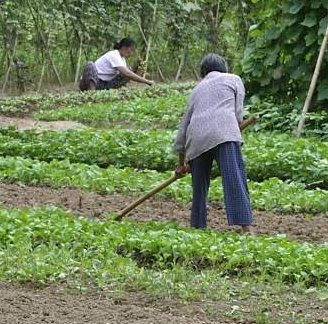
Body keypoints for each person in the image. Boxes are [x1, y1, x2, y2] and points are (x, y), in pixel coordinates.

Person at [173, 53, 253, 232]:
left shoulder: (196, 89)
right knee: (234, 180)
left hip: (196, 139)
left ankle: (197, 229)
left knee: (199, 189)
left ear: (203, 73)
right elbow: (237, 114)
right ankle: (247, 231)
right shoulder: (233, 79)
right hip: (224, 132)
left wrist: (181, 163)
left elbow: (184, 125)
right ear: (224, 69)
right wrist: (233, 128)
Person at [79, 37, 155, 91]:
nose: (132, 53)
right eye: (131, 50)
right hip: (90, 83)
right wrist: (147, 81)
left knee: (129, 69)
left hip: (104, 85)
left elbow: (127, 73)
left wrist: (134, 66)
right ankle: (91, 94)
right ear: (124, 47)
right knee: (90, 64)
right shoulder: (114, 55)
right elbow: (128, 74)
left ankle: (111, 92)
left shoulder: (122, 60)